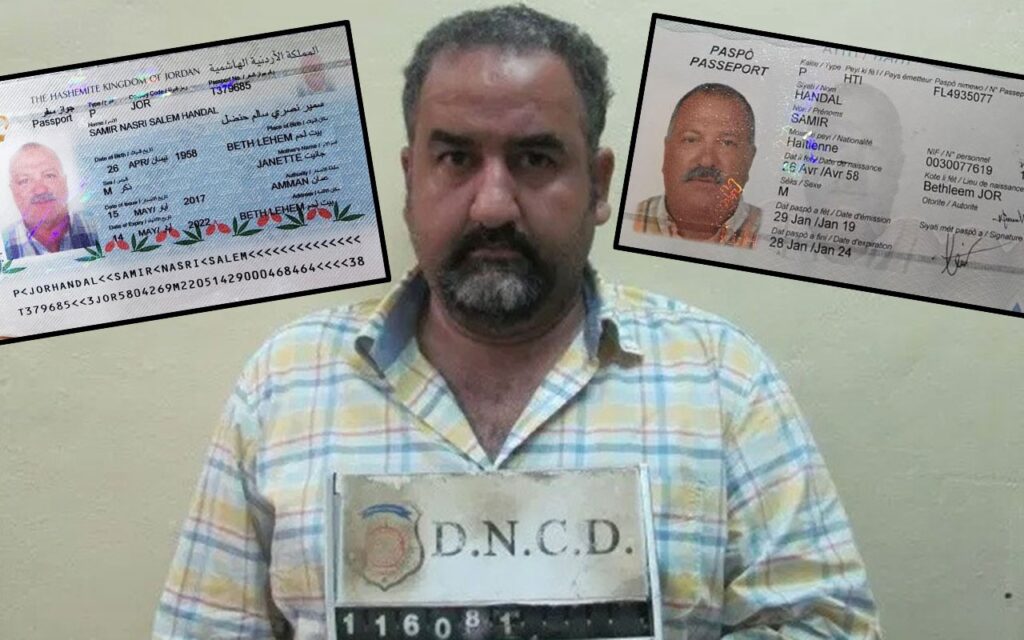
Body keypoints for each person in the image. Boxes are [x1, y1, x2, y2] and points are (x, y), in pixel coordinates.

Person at [153, 6, 881, 639]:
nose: (493, 204)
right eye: (455, 158)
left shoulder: (723, 382)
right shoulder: (285, 386)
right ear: (410, 178)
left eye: (534, 159)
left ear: (598, 184)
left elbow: (826, 626)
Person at [634, 83, 761, 248]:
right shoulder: (628, 219)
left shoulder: (769, 233)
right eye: (691, 140)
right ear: (666, 151)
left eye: (727, 143)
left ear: (750, 159)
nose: (706, 161)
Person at [2, 142, 98, 259]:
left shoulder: (98, 226)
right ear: (13, 192)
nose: (40, 190)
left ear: (64, 183)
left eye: (49, 175)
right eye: (24, 180)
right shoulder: (3, 245)